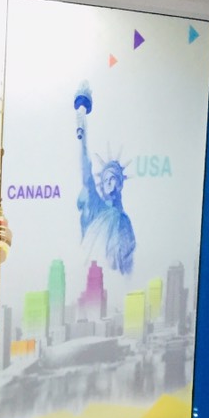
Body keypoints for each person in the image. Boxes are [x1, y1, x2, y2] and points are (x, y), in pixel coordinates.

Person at [74, 82, 135, 275]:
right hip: (93, 280)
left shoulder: (124, 222)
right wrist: (81, 123)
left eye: (113, 178)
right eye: (106, 179)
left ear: (121, 183)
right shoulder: (98, 209)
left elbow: (128, 266)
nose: (109, 183)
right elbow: (85, 170)